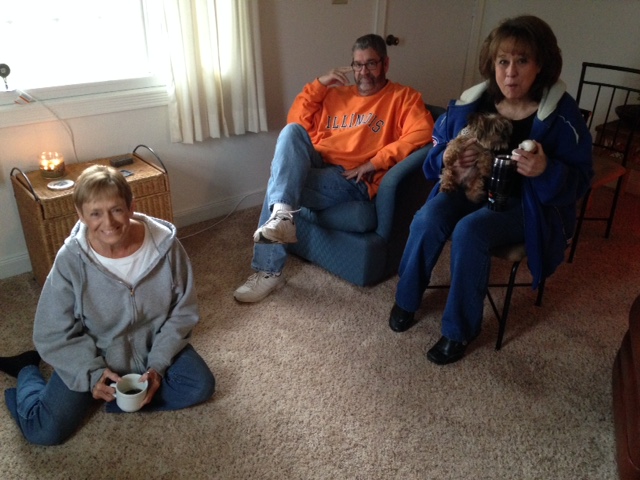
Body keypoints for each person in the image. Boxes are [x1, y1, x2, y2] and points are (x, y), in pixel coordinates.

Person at [388, 15, 593, 365]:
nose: (510, 73)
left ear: (541, 65)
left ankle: (459, 330)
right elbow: (436, 151)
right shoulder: (471, 103)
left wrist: (545, 170)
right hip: (468, 189)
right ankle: (406, 299)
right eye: (503, 61)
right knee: (427, 218)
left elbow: (581, 180)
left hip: (524, 205)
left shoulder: (561, 116)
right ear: (492, 64)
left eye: (522, 61)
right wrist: (450, 161)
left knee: (470, 231)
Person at [0, 165, 215, 445]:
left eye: (116, 209)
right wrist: (91, 374)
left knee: (200, 386)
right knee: (43, 431)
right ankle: (27, 369)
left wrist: (158, 365)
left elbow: (183, 312)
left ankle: (117, 395)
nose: (108, 222)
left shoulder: (165, 246)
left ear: (131, 207)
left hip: (153, 346)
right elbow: (51, 332)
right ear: (80, 215)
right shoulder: (70, 260)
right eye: (95, 213)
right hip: (96, 355)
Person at [234, 33, 434, 303]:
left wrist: (376, 161)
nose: (363, 72)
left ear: (385, 64)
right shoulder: (336, 95)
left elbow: (422, 133)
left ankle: (269, 269)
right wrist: (319, 84)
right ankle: (282, 217)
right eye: (357, 65)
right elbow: (296, 122)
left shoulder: (403, 97)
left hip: (352, 178)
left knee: (279, 179)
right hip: (319, 164)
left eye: (371, 63)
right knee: (291, 133)